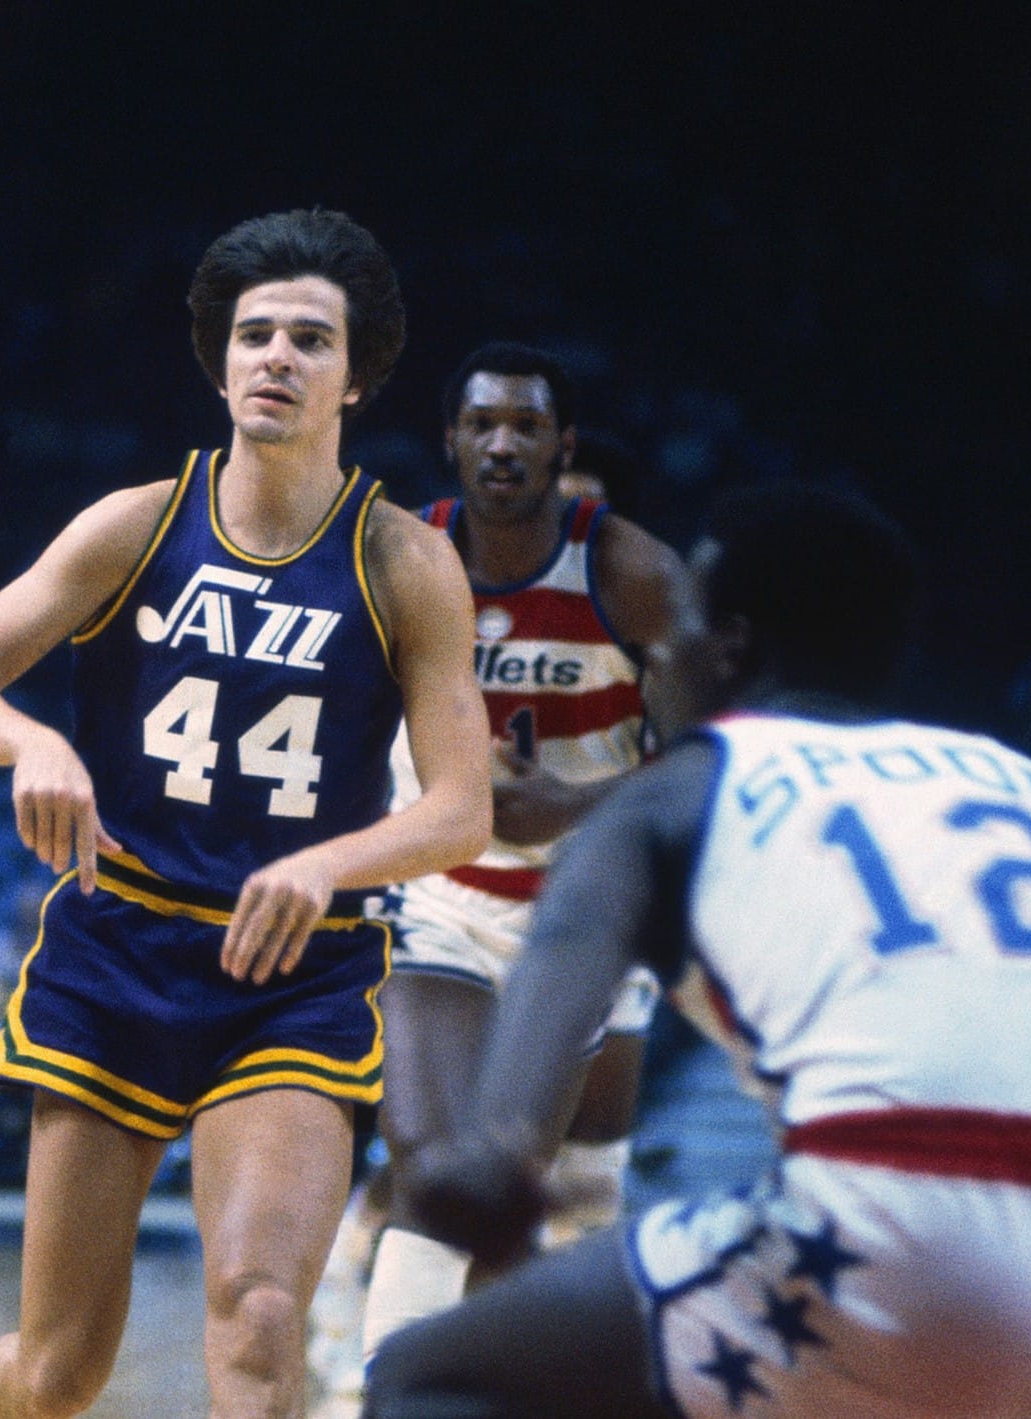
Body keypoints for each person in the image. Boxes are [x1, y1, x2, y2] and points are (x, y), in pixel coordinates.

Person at [365, 480, 1031, 1419]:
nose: (659, 654)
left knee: (428, 1374)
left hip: (889, 1242)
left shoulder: (675, 790)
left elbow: (494, 1164)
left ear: (728, 643)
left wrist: (476, 1160)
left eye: (675, 621)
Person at [0, 207, 491, 1419]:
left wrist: (328, 864)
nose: (276, 356)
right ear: (219, 362)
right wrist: (32, 743)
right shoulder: (132, 526)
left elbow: (458, 811)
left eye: (310, 340)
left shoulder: (402, 562)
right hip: (119, 950)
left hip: (294, 971)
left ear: (357, 377)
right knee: (56, 1374)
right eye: (255, 334)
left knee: (261, 1319)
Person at [323, 345, 687, 1395]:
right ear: (450, 441)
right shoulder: (399, 552)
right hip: (436, 895)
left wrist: (566, 805)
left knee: (539, 1188)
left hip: (579, 920)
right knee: (433, 1176)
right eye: (482, 422)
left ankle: (526, 1379)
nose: (501, 442)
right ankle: (384, 1393)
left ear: (560, 446)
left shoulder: (629, 572)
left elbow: (716, 754)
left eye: (526, 426)